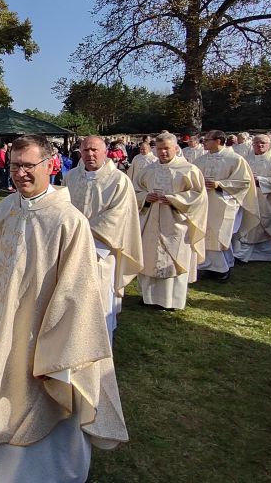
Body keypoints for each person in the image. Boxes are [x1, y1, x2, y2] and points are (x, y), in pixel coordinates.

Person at [0, 134, 128, 483]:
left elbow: (77, 295)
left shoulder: (67, 221)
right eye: (15, 166)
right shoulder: (6, 208)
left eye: (29, 165)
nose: (21, 173)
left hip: (41, 336)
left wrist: (58, 352)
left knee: (33, 396)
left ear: (50, 165)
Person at [64, 135, 143, 343]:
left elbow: (118, 216)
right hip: (70, 247)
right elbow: (62, 208)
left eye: (95, 150)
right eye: (86, 150)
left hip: (101, 249)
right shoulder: (71, 177)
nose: (90, 154)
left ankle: (100, 341)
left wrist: (86, 235)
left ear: (105, 152)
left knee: (99, 296)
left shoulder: (118, 180)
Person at [134, 133, 208, 310]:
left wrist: (175, 200)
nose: (163, 152)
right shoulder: (148, 170)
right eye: (159, 149)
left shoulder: (188, 170)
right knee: (150, 257)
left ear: (175, 148)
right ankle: (149, 298)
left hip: (176, 223)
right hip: (151, 221)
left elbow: (199, 196)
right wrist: (145, 197)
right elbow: (135, 191)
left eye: (167, 148)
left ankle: (172, 301)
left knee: (174, 260)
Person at [193, 130, 259, 281]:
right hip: (203, 203)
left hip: (224, 202)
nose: (204, 143)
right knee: (205, 233)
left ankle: (220, 269)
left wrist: (219, 184)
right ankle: (215, 265)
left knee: (219, 235)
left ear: (218, 141)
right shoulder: (200, 160)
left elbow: (244, 182)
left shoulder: (235, 159)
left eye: (207, 140)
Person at [232, 134, 271, 263]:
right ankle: (241, 254)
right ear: (252, 144)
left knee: (266, 223)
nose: (259, 145)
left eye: (263, 143)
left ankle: (265, 254)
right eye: (256, 143)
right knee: (246, 224)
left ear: (270, 144)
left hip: (268, 199)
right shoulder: (245, 160)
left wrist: (260, 181)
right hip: (247, 199)